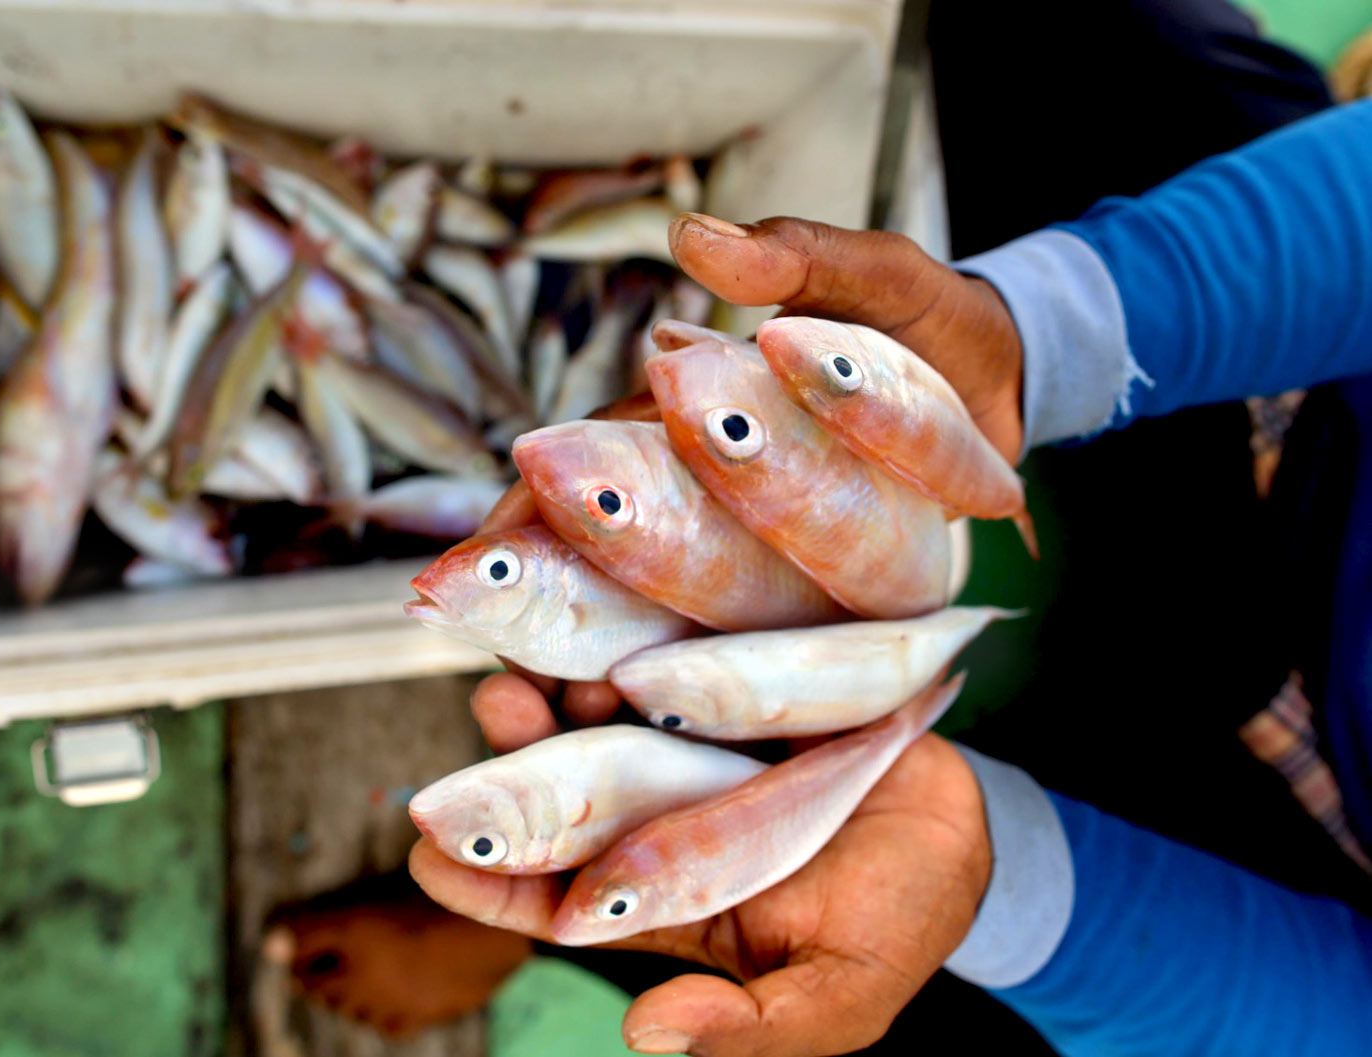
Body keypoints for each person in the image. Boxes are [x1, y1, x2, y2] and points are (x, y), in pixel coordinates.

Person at [411, 98, 1372, 1056]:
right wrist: (1034, 338)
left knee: (849, 957)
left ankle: (524, 948)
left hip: (1300, 829)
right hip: (1299, 389)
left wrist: (997, 877)